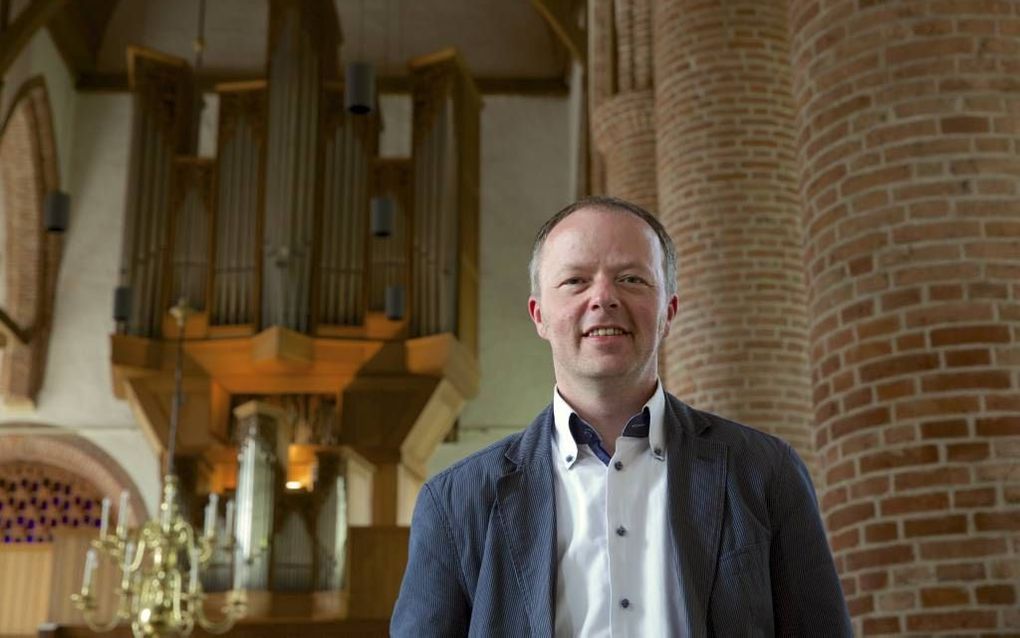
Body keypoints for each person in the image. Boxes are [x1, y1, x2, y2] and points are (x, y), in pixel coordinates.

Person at [391, 196, 852, 637]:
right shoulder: (453, 503)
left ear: (668, 311)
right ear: (539, 315)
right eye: (575, 281)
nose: (603, 297)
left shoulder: (766, 471)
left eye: (631, 279)